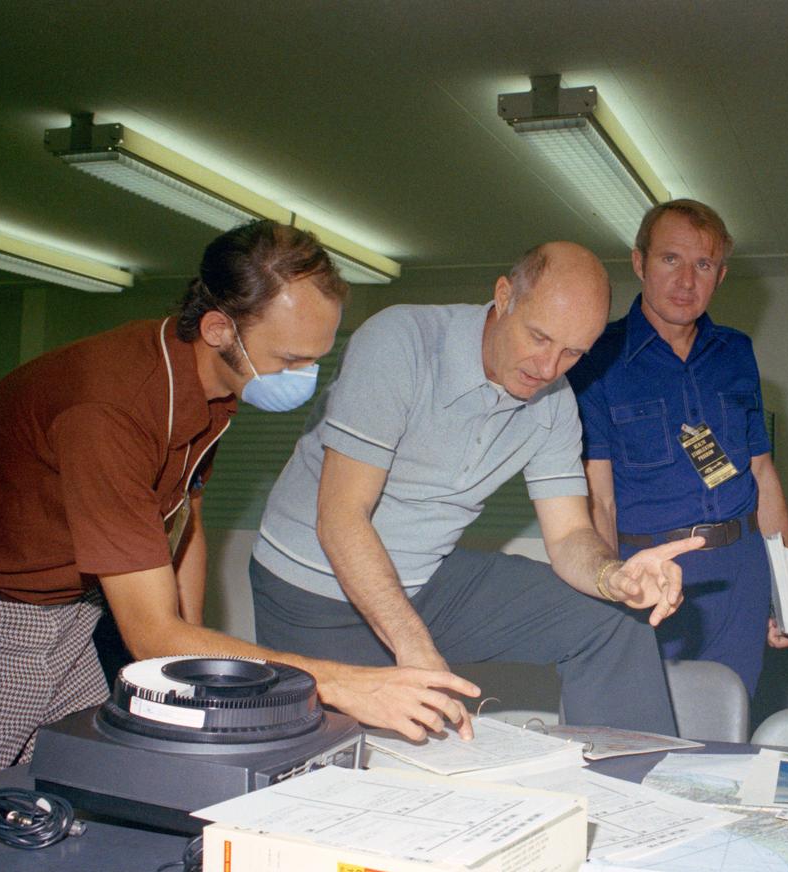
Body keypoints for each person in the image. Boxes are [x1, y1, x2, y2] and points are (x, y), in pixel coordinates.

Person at [0, 220, 481, 772]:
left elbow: (181, 508)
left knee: (76, 774)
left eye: (314, 359)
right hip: (2, 614)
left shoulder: (206, 386)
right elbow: (150, 635)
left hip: (72, 612)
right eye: (290, 360)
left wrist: (187, 643)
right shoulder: (112, 412)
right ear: (220, 328)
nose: (303, 376)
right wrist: (343, 683)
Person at [250, 241, 700, 738]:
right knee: (384, 757)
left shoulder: (553, 403)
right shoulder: (403, 341)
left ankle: (630, 796)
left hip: (425, 580)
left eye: (573, 352)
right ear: (504, 296)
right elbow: (340, 517)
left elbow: (571, 534)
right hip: (312, 590)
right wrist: (414, 648)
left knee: (611, 619)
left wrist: (615, 578)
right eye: (539, 337)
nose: (548, 368)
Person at [567, 200, 788, 697]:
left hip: (741, 572)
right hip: (651, 572)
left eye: (703, 265)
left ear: (721, 274)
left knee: (730, 721)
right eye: (671, 259)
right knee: (650, 724)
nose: (686, 281)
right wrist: (609, 596)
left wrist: (787, 593)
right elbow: (598, 498)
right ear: (639, 262)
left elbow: (763, 476)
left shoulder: (737, 352)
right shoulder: (597, 359)